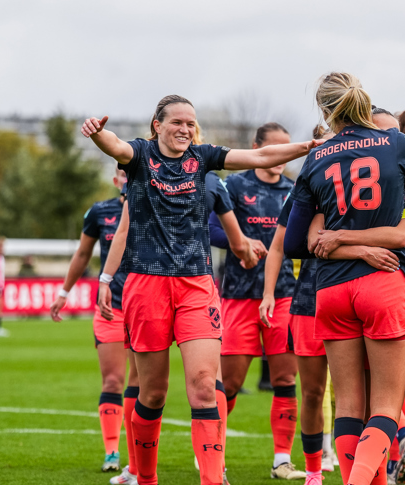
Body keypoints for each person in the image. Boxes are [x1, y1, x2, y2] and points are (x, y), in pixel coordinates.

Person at [81, 94, 323, 485]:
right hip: (146, 286)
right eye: (177, 122)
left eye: (190, 123)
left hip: (197, 286)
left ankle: (213, 478)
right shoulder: (140, 155)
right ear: (157, 125)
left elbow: (261, 156)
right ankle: (145, 477)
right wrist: (97, 133)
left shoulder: (204, 158)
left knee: (205, 389)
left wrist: (309, 147)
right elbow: (116, 146)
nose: (185, 129)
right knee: (152, 393)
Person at [283, 73, 405, 485]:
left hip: (331, 290)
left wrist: (341, 237)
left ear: (325, 110)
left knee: (347, 407)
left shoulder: (316, 157)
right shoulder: (394, 143)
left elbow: (295, 244)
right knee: (386, 408)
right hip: (383, 282)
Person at [216, 122, 306, 480]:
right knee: (230, 383)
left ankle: (282, 460)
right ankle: (213, 453)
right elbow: (210, 227)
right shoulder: (234, 185)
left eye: (287, 149)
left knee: (285, 379)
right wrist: (240, 243)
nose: (282, 156)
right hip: (238, 296)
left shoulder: (295, 190)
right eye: (275, 148)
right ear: (257, 149)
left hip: (284, 295)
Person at [49, 167, 138, 475]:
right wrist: (64, 292)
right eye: (123, 173)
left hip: (145, 306)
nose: (128, 177)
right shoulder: (99, 212)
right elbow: (83, 253)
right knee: (113, 380)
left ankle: (138, 456)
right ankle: (112, 451)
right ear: (116, 180)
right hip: (110, 307)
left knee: (143, 384)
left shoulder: (156, 205)